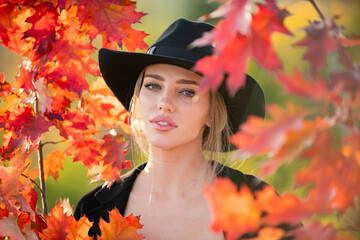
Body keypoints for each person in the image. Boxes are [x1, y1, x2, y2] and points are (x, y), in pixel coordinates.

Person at [74, 18, 266, 240]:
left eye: (187, 92)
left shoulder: (259, 205)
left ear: (212, 114)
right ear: (137, 99)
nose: (164, 102)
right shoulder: (93, 212)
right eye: (153, 86)